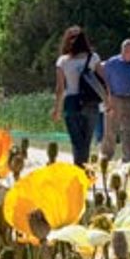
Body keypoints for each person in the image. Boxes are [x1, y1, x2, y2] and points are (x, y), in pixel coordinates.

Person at [52, 25, 102, 166]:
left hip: (72, 102)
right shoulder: (94, 58)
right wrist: (108, 100)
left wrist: (57, 109)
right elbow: (103, 80)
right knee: (86, 141)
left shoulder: (63, 61)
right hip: (91, 102)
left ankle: (79, 169)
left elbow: (60, 88)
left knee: (77, 141)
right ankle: (83, 169)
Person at [100, 39, 130, 161]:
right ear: (125, 50)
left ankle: (128, 157)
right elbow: (103, 79)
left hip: (129, 98)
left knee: (129, 129)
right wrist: (107, 97)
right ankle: (106, 157)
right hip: (114, 98)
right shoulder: (112, 63)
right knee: (111, 129)